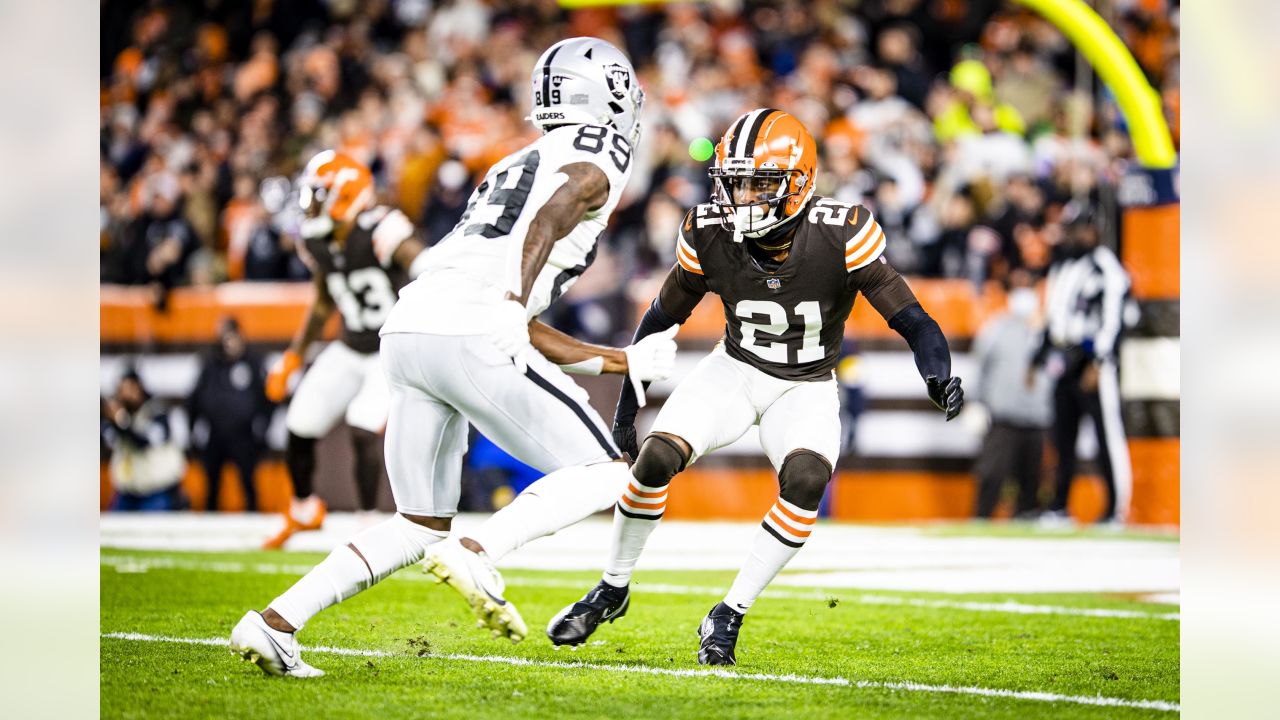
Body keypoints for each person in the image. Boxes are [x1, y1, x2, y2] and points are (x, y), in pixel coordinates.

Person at [231, 38, 674, 677]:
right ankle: (480, 548)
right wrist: (512, 300)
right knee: (608, 471)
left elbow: (512, 312)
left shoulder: (516, 161)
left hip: (410, 328)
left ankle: (274, 624)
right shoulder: (597, 149)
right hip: (467, 325)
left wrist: (618, 361)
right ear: (604, 92)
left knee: (416, 524)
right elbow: (554, 217)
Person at [467, 108, 964, 666]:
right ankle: (611, 587)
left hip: (806, 384)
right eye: (737, 181)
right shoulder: (708, 231)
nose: (743, 196)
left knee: (806, 479)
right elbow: (659, 320)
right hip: (735, 368)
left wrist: (936, 370)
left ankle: (729, 611)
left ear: (798, 184)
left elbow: (912, 318)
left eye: (760, 183)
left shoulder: (840, 231)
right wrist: (628, 410)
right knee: (653, 460)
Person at [259, 150, 430, 548]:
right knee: (299, 424)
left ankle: (368, 521)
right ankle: (304, 511)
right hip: (350, 345)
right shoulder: (317, 240)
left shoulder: (379, 228)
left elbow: (422, 263)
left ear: (344, 196)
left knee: (362, 426)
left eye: (318, 195)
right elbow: (323, 302)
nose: (310, 204)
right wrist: (293, 356)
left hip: (391, 348)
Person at [1035, 206, 1133, 524]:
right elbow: (1055, 317)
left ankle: (1115, 509)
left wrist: (1101, 360)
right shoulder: (1062, 266)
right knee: (1062, 437)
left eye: (1082, 228)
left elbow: (1115, 316)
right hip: (1062, 359)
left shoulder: (1105, 266)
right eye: (1073, 228)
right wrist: (1039, 355)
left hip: (1091, 360)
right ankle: (1059, 505)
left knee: (1107, 434)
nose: (1078, 234)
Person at [970, 270, 1051, 519]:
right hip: (1003, 417)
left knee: (1032, 483)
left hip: (1038, 419)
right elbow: (979, 367)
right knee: (992, 476)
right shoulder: (996, 327)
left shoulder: (1048, 330)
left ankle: (1027, 522)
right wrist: (976, 403)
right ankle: (981, 520)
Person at [186, 317, 271, 511]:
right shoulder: (210, 364)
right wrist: (193, 428)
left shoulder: (253, 363)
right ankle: (209, 523)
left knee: (248, 483)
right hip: (215, 433)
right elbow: (195, 398)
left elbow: (267, 399)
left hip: (244, 434)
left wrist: (262, 428)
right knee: (212, 484)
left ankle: (253, 519)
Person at [101, 370, 187, 512]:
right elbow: (105, 441)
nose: (124, 395)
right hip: (126, 493)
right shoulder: (120, 418)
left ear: (139, 387)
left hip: (157, 493)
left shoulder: (157, 412)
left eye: (128, 389)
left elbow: (142, 442)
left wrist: (121, 420)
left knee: (153, 532)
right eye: (121, 390)